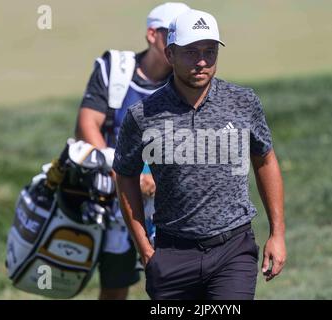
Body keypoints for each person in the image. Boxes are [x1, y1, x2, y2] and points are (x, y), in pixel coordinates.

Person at [113, 9, 286, 300]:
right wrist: (145, 249)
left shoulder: (243, 102)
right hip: (171, 254)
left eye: (210, 51)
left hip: (234, 248)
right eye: (191, 52)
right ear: (170, 54)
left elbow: (265, 161)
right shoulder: (143, 115)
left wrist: (277, 234)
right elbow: (125, 175)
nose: (202, 61)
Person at [74, 2, 191, 300]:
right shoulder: (114, 68)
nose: (181, 43)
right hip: (113, 199)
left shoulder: (190, 80)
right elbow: (88, 125)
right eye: (172, 34)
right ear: (152, 35)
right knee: (115, 284)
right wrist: (126, 174)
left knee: (176, 286)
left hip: (170, 203)